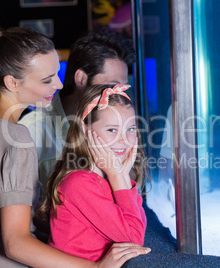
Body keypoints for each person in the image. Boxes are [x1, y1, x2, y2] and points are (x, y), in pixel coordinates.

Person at [0, 26, 149, 268]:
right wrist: (95, 267)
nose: (60, 85)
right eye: (47, 79)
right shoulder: (17, 139)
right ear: (12, 82)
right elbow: (16, 244)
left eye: (57, 74)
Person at [19, 31, 135, 202]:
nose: (118, 95)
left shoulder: (121, 126)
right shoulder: (32, 130)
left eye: (123, 89)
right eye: (112, 86)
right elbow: (21, 212)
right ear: (81, 79)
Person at [37, 84, 147, 262]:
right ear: (86, 129)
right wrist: (119, 177)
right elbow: (134, 238)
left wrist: (122, 178)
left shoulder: (110, 177)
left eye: (131, 129)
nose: (124, 139)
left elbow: (138, 225)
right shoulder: (79, 183)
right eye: (112, 130)